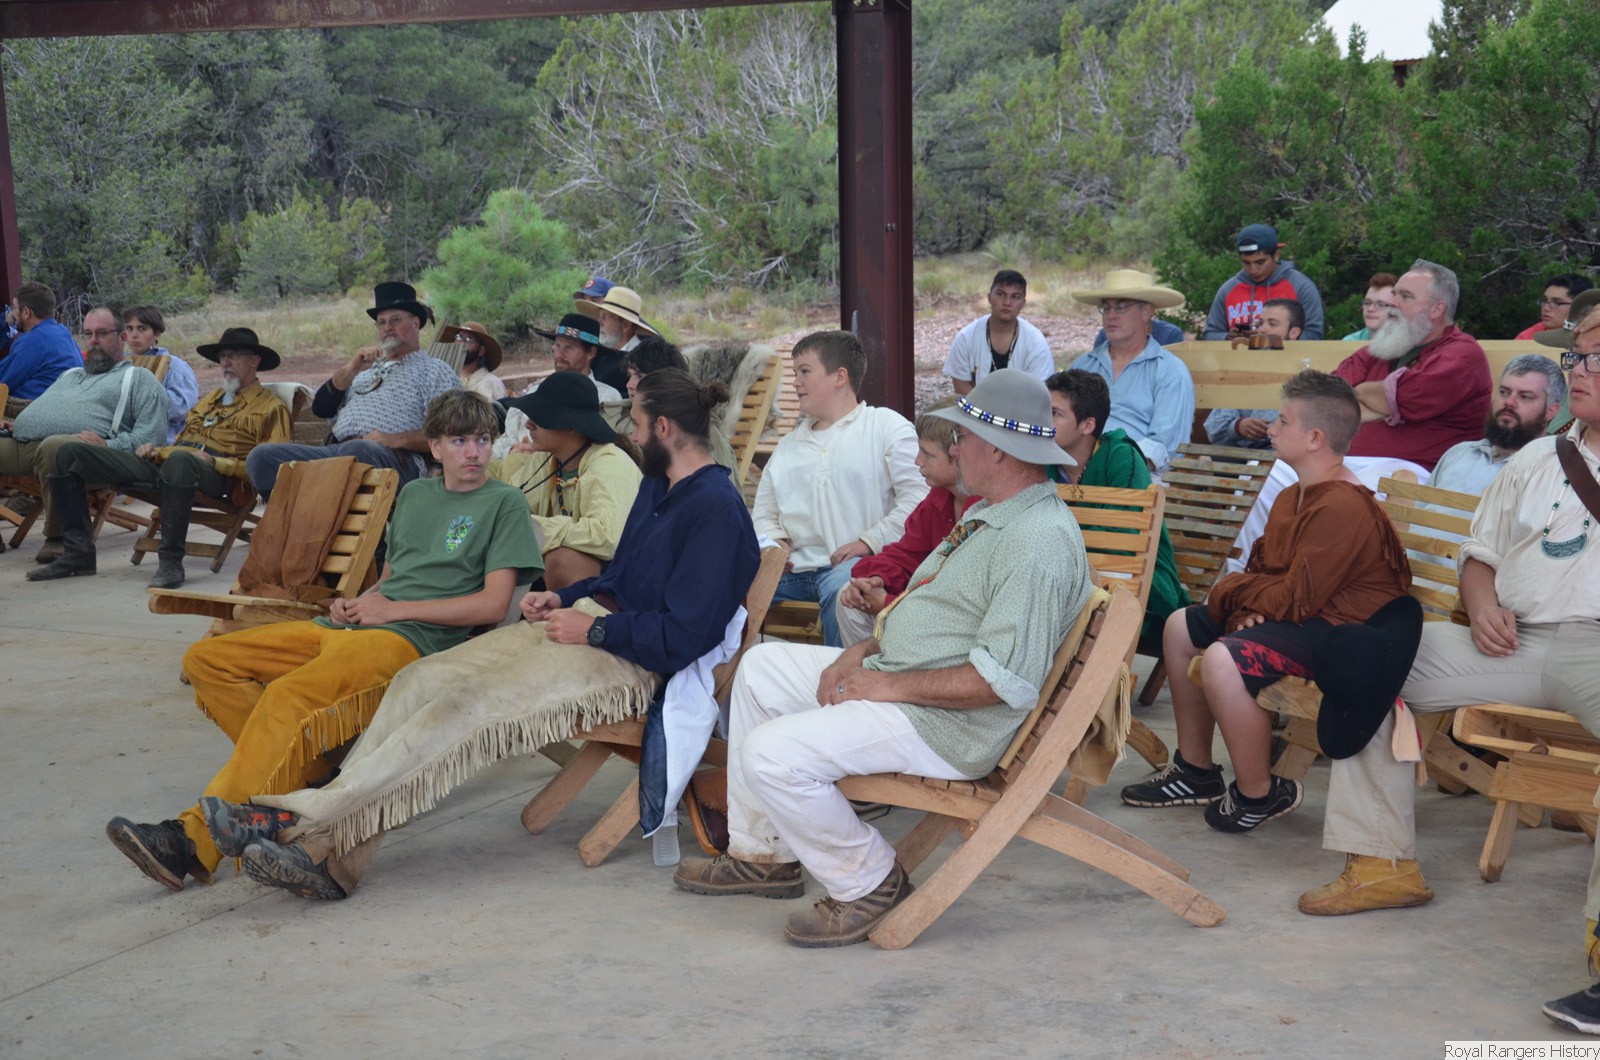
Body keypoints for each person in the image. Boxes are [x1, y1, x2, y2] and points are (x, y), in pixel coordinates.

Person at [200, 368, 759, 901]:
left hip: (633, 660)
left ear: (664, 427)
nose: (629, 436)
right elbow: (623, 577)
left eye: (635, 424)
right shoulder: (659, 486)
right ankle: (332, 857)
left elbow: (685, 633)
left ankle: (300, 820)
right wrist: (563, 597)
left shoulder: (716, 510)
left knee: (464, 705)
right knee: (420, 681)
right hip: (589, 623)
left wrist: (596, 629)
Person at [673, 369, 1091, 947]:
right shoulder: (991, 511)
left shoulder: (1035, 540)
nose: (955, 448)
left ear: (996, 450)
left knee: (771, 754)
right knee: (760, 670)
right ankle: (763, 855)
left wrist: (880, 685)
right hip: (908, 682)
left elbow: (1002, 681)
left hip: (948, 725)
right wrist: (865, 650)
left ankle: (868, 882)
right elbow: (934, 608)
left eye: (963, 437)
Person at [104, 390, 540, 894]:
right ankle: (309, 775)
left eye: (482, 440)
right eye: (459, 441)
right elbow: (393, 579)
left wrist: (392, 611)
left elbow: (492, 605)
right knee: (208, 658)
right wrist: (356, 602)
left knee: (287, 696)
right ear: (436, 447)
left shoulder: (503, 503)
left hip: (412, 640)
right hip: (355, 626)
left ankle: (190, 841)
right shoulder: (416, 496)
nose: (474, 452)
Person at [1120, 370, 1411, 833]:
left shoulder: (1343, 505)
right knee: (1180, 627)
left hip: (1338, 633)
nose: (1271, 429)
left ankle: (1258, 792)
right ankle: (1196, 771)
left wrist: (1233, 596)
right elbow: (1267, 575)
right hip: (1299, 616)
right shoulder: (1293, 495)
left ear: (1315, 438)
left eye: (1283, 421)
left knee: (1223, 660)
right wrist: (1247, 606)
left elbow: (1295, 597)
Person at [31, 327, 293, 587]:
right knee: (68, 452)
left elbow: (275, 468)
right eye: (222, 356)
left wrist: (217, 462)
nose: (225, 362)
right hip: (169, 463)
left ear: (255, 361)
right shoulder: (211, 399)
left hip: (216, 476)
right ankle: (78, 554)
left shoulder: (271, 407)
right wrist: (157, 451)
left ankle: (170, 561)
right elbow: (182, 441)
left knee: (181, 461)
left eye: (233, 355)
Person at [753, 330, 926, 647]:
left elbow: (919, 501)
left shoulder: (886, 427)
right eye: (795, 373)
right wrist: (774, 541)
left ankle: (839, 677)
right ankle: (721, 675)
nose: (796, 383)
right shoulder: (788, 446)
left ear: (840, 377)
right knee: (729, 586)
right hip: (793, 572)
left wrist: (869, 540)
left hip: (859, 567)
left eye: (805, 371)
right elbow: (765, 511)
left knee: (843, 591)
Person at [245, 282, 458, 499]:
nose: (387, 328)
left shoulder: (434, 370)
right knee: (261, 458)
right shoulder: (363, 371)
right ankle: (308, 512)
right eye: (381, 322)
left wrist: (396, 439)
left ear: (415, 323)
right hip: (338, 453)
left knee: (356, 452)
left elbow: (453, 432)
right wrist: (350, 369)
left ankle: (325, 504)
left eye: (395, 320)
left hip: (393, 459)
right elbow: (321, 409)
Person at [1047, 369, 1186, 650]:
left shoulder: (1121, 456)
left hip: (1141, 585)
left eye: (1055, 413)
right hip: (1069, 580)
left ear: (1087, 425)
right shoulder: (1043, 461)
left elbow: (1124, 536)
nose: (1043, 420)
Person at [0, 326, 166, 560]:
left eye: (102, 333)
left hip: (83, 454)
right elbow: (45, 408)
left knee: (56, 447)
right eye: (88, 334)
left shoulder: (138, 378)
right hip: (24, 443)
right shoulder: (70, 374)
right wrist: (19, 423)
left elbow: (151, 438)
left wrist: (108, 445)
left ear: (122, 337)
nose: (93, 340)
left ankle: (60, 539)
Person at [833, 396, 977, 648]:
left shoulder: (987, 507)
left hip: (961, 629)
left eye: (927, 454)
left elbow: (959, 601)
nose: (917, 461)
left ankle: (879, 670)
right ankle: (870, 671)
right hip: (928, 610)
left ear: (958, 456)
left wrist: (888, 603)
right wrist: (877, 579)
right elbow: (906, 553)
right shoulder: (939, 497)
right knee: (850, 599)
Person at [1330, 259, 1491, 471]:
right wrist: (1378, 407)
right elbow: (1327, 393)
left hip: (1415, 478)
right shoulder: (1386, 346)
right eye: (1395, 294)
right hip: (1346, 465)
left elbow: (1404, 397)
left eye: (1405, 296)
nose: (1393, 303)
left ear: (1436, 309)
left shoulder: (1463, 354)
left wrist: (1357, 392)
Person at [491, 371, 642, 590]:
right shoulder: (547, 457)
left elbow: (607, 538)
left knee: (562, 560)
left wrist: (533, 527)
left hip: (620, 578)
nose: (529, 424)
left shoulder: (610, 465)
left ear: (572, 426)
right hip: (562, 577)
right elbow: (512, 501)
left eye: (540, 417)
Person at [1067, 270, 1195, 472]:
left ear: (1146, 312)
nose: (1111, 315)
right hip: (1073, 471)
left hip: (1139, 476)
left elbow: (1164, 449)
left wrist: (1107, 463)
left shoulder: (1171, 371)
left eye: (1121, 307)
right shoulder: (1082, 366)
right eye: (1106, 307)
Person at [1429, 354, 1565, 496]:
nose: (1509, 402)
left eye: (1525, 396)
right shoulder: (1458, 453)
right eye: (1504, 392)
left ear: (1550, 411)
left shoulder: (1553, 472)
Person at [1204, 298, 1307, 449]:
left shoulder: (1305, 373)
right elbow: (1213, 428)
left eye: (1272, 324)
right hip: (1237, 458)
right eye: (1260, 324)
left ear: (1294, 332)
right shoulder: (1244, 368)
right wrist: (1238, 427)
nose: (1262, 330)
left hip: (1282, 459)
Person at [1201, 224, 1326, 341]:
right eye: (1246, 263)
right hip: (1239, 356)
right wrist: (1229, 338)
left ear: (1276, 255)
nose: (1253, 269)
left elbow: (1314, 334)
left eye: (1260, 262)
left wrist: (1269, 341)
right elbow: (1210, 334)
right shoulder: (1228, 290)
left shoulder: (1301, 286)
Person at [942, 269, 1055, 395]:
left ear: (1023, 303)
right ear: (989, 297)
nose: (1007, 303)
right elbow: (960, 386)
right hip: (973, 406)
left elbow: (1039, 393)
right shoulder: (966, 337)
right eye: (1000, 294)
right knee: (946, 406)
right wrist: (979, 408)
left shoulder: (1036, 343)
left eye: (1015, 297)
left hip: (1023, 407)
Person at [121, 305, 199, 445]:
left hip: (165, 442)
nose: (134, 335)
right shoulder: (121, 363)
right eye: (129, 328)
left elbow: (183, 407)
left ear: (156, 333)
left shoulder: (175, 366)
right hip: (126, 439)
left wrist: (144, 394)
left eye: (142, 329)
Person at [0, 283, 82, 400]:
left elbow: (3, 379)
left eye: (14, 308)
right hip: (66, 402)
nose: (12, 313)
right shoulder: (63, 332)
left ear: (26, 312)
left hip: (35, 408)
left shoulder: (31, 341)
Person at [575, 285, 657, 394]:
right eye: (599, 316)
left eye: (605, 317)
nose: (599, 322)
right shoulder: (601, 351)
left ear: (626, 325)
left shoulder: (644, 360)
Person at [532, 312, 624, 403]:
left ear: (591, 353)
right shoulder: (537, 391)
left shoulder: (606, 398)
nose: (559, 355)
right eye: (557, 346)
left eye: (569, 348)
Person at [439, 321, 507, 402]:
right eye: (459, 337)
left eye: (469, 339)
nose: (462, 342)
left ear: (481, 351)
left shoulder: (490, 383)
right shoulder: (444, 378)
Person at [1516, 273, 1593, 341]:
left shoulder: (1594, 336)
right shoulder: (1526, 338)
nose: (1546, 308)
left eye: (1556, 303)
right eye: (1545, 300)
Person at [1342, 273, 1398, 342]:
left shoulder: (1407, 344)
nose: (1370, 309)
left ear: (1396, 309)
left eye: (1381, 304)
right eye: (1367, 303)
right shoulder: (1349, 342)